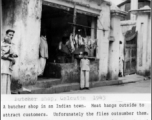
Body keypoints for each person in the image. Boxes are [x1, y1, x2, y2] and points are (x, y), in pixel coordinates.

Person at [1, 29, 17, 94]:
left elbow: (15, 54)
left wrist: (13, 56)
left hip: (9, 66)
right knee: (2, 81)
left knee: (7, 82)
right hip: (3, 65)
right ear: (6, 35)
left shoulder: (12, 45)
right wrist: (11, 58)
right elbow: (1, 55)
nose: (11, 36)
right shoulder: (1, 44)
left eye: (12, 35)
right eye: (10, 34)